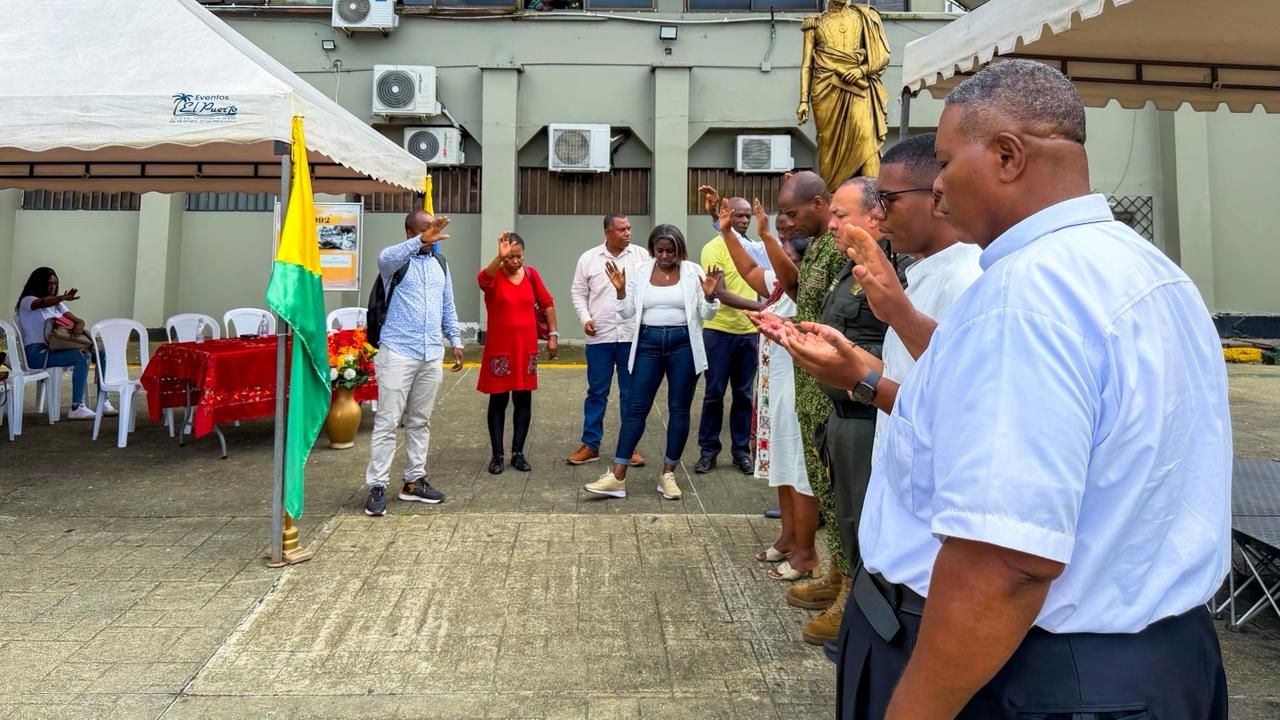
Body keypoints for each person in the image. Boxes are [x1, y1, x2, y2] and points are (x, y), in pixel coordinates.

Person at [780, 60, 1230, 719]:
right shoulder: (1150, 273)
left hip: (1027, 674)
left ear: (1008, 156)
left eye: (944, 164)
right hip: (1143, 662)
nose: (937, 192)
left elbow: (1005, 562)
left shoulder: (1025, 296)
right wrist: (871, 374)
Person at [753, 171, 852, 634]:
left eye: (791, 214)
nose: (786, 222)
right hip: (808, 380)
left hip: (829, 383)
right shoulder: (818, 248)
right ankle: (836, 574)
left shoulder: (841, 246)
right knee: (821, 479)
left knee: (834, 487)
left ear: (819, 203)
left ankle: (847, 586)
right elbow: (800, 297)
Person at [712, 200, 820, 582]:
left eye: (787, 255)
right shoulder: (779, 287)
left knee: (800, 468)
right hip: (776, 388)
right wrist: (726, 232)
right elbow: (749, 268)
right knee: (783, 465)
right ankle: (789, 538)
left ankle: (807, 553)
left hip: (798, 387)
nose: (777, 262)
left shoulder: (807, 289)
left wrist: (765, 235)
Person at [583, 225, 721, 501]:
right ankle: (617, 475)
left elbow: (706, 314)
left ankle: (668, 473)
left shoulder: (693, 271)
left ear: (679, 249)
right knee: (636, 408)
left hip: (683, 344)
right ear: (652, 249)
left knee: (679, 410)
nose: (665, 256)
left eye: (670, 251)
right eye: (659, 250)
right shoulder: (640, 272)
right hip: (648, 342)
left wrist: (708, 295)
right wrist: (621, 292)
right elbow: (626, 313)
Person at [868, 133, 982, 457]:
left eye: (887, 200)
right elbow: (907, 370)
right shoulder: (925, 275)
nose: (877, 216)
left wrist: (864, 383)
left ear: (936, 196)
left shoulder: (966, 279)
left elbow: (962, 398)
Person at [363, 211, 465, 517]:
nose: (433, 234)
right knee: (387, 422)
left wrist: (456, 340)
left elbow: (448, 303)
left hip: (431, 352)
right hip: (398, 352)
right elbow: (385, 256)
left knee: (420, 421)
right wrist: (422, 240)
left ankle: (413, 482)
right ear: (410, 233)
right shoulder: (394, 261)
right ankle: (377, 485)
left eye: (434, 228)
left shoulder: (440, 264)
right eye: (425, 230)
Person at [567, 214, 650, 467]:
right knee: (596, 393)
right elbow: (578, 293)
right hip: (599, 337)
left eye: (629, 228)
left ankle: (629, 447)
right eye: (622, 229)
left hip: (630, 337)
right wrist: (585, 319)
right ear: (607, 232)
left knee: (630, 394)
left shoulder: (641, 256)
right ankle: (591, 444)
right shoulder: (589, 258)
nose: (628, 233)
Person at [477, 232, 558, 475]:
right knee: (499, 400)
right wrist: (497, 258)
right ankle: (497, 454)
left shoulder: (531, 274)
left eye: (518, 256)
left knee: (523, 399)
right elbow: (481, 281)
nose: (515, 261)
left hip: (526, 349)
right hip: (500, 350)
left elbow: (547, 303)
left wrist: (553, 335)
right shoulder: (494, 276)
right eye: (510, 257)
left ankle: (518, 452)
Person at [694, 194, 759, 476]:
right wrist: (761, 306)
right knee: (714, 394)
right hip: (719, 332)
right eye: (739, 215)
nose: (744, 220)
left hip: (750, 333)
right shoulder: (714, 248)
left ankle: (741, 451)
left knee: (744, 395)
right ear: (726, 215)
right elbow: (718, 291)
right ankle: (708, 451)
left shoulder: (754, 249)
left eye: (748, 216)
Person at [796, 0, 890, 188]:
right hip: (825, 89)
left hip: (858, 87)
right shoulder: (815, 23)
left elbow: (882, 56)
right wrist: (803, 100)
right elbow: (807, 64)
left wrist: (861, 70)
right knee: (828, 147)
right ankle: (833, 197)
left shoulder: (865, 16)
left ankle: (873, 196)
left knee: (866, 139)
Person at [14, 267, 114, 420]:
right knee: (82, 356)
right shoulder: (28, 301)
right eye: (49, 283)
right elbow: (42, 302)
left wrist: (79, 324)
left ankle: (103, 401)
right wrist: (62, 297)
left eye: (55, 283)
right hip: (36, 354)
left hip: (55, 349)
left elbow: (77, 319)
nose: (53, 287)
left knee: (102, 353)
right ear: (39, 283)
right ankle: (76, 407)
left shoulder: (57, 305)